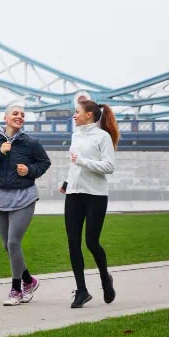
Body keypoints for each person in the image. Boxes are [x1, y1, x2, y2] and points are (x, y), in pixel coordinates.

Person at [0, 102, 52, 305]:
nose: (19, 117)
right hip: (0, 197)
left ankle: (15, 289)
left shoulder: (31, 143)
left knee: (13, 242)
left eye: (22, 114)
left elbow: (44, 163)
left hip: (24, 197)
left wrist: (29, 171)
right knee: (6, 246)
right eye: (15, 113)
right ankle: (29, 280)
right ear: (6, 117)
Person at [60, 99, 120, 308]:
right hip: (74, 194)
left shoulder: (103, 137)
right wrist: (68, 182)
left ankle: (105, 279)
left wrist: (82, 162)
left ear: (89, 115)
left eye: (77, 112)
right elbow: (73, 163)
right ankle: (82, 291)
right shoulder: (76, 135)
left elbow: (109, 166)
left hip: (95, 195)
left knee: (91, 243)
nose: (74, 116)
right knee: (73, 243)